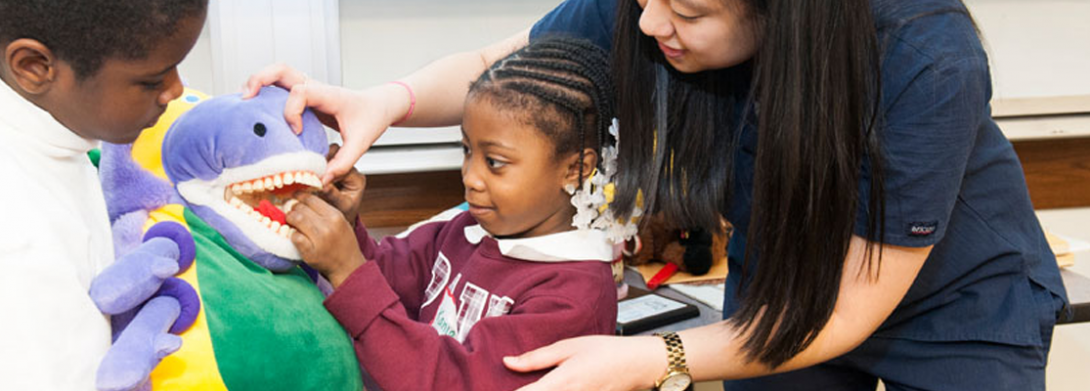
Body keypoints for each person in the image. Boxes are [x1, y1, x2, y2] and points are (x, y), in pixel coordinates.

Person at [244, 0, 1070, 390]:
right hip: (782, 286)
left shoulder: (923, 57)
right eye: (643, 0)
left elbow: (845, 311)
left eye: (686, 11)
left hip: (951, 302)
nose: (646, 24)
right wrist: (382, 100)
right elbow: (522, 61)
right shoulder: (657, 6)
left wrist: (654, 356)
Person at [282, 37, 624, 391]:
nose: (470, 177)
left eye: (494, 162)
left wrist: (346, 270)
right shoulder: (465, 229)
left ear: (575, 169)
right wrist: (349, 228)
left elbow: (448, 379)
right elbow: (387, 279)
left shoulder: (573, 297)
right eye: (466, 150)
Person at [0, 1, 207, 389]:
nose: (175, 90)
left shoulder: (61, 140)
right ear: (34, 67)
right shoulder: (18, 234)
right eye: (152, 80)